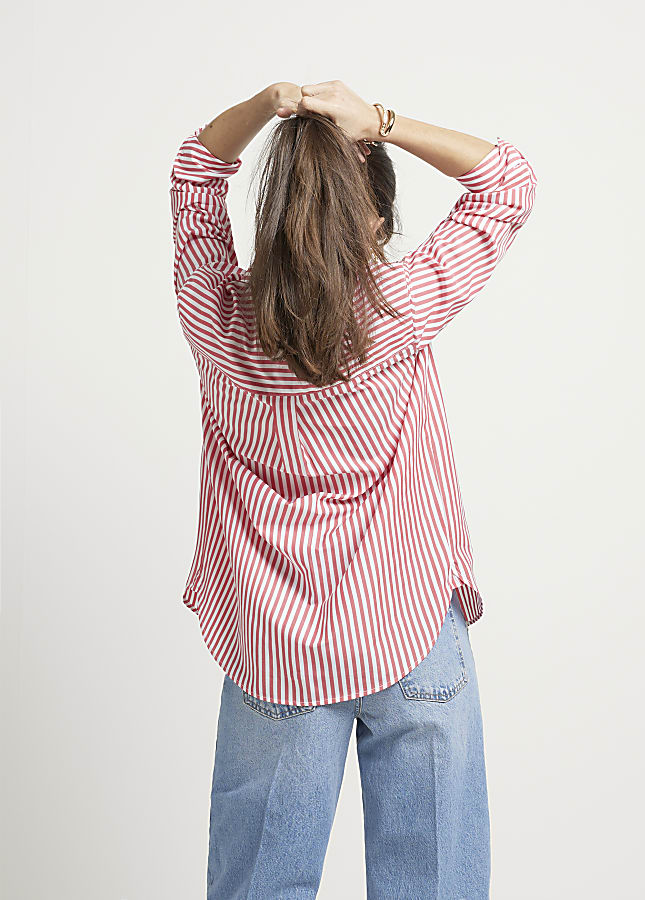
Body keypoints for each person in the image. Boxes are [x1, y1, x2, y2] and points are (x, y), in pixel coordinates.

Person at [169, 79, 538, 899]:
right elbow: (507, 182)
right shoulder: (398, 310)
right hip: (409, 628)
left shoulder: (215, 319)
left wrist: (271, 105)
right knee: (433, 885)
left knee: (259, 886)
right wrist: (379, 122)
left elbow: (195, 172)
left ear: (272, 216)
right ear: (374, 222)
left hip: (275, 650)